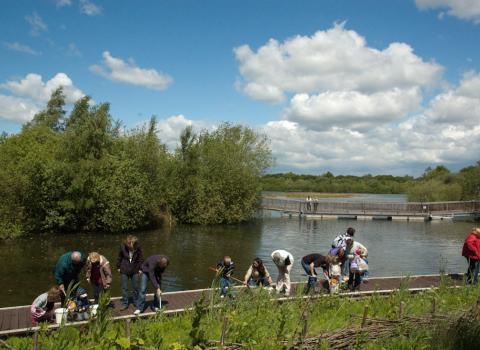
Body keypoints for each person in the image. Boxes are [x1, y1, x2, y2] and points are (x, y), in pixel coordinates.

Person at [116, 235, 144, 311]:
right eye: (129, 243)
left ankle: (135, 301)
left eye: (132, 243)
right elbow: (119, 257)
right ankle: (125, 303)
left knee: (135, 287)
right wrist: (118, 267)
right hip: (124, 269)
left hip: (135, 269)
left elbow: (141, 259)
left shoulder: (138, 247)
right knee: (124, 288)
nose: (131, 245)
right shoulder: (122, 247)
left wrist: (140, 269)